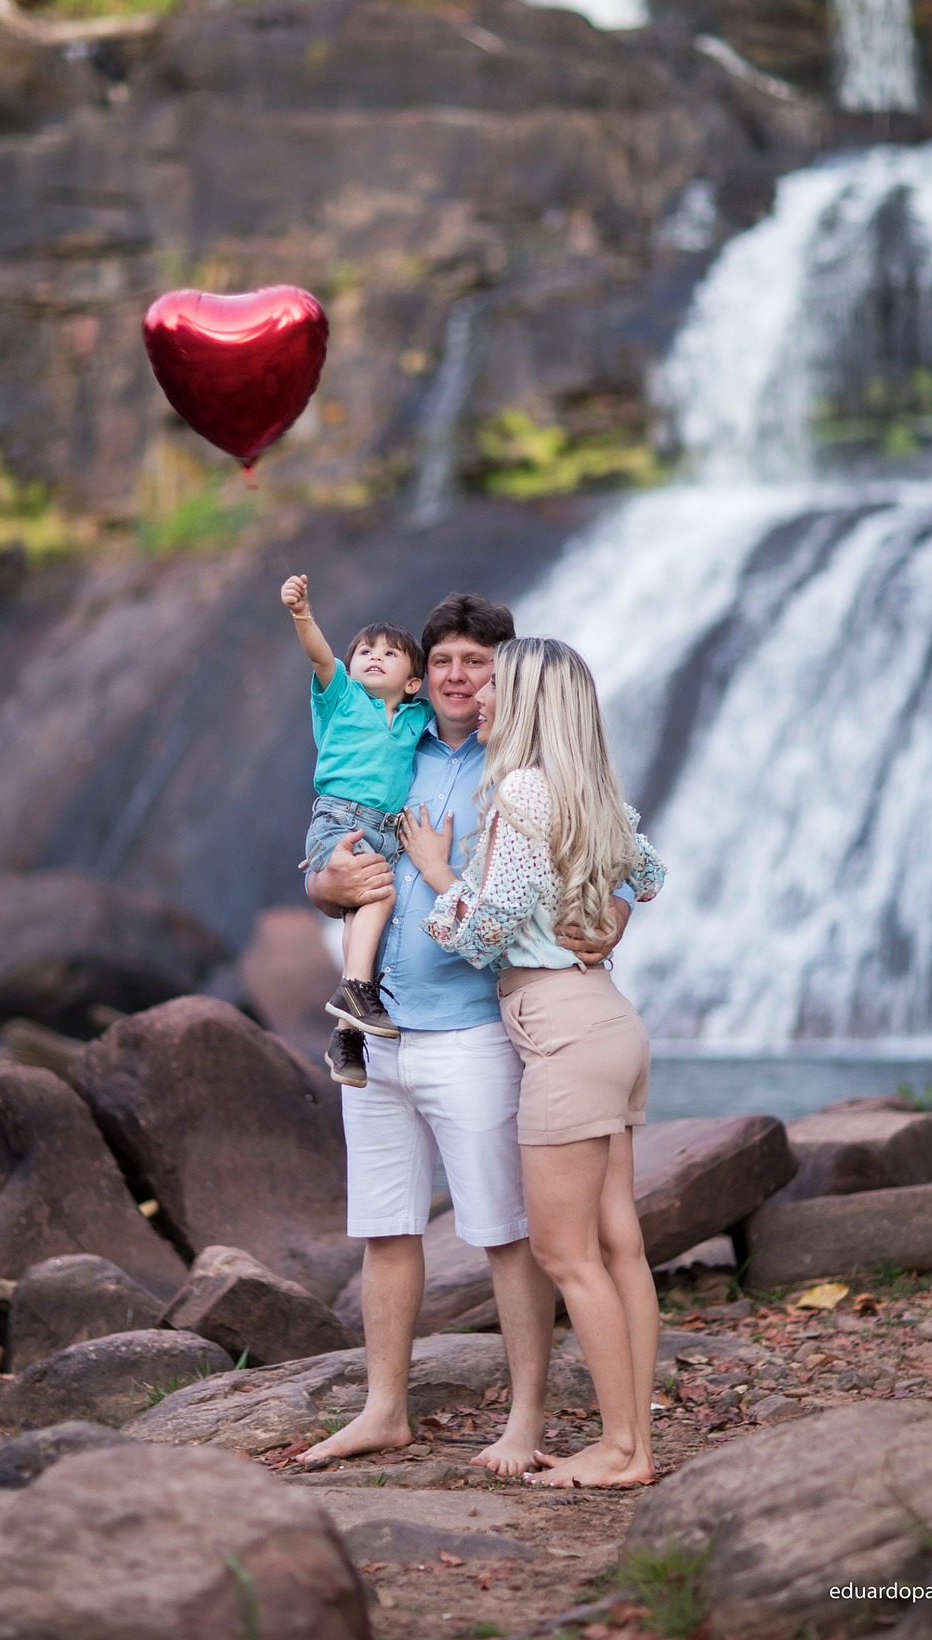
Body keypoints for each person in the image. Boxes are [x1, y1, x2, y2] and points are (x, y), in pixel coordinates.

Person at [297, 595, 636, 1475]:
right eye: (442, 660)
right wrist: (325, 887)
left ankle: (525, 1422)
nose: (457, 676)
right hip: (372, 1027)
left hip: (478, 1029)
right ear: (421, 672)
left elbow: (626, 850)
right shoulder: (388, 739)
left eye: (476, 663)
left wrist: (619, 915)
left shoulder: (525, 762)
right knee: (385, 1226)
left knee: (507, 1234)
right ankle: (384, 1410)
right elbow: (329, 864)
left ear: (504, 675)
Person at [409, 636, 665, 1487]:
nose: (478, 693)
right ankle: (635, 1444)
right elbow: (651, 872)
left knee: (566, 1254)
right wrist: (614, 907)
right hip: (611, 1024)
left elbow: (488, 929)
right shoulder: (593, 792)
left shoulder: (520, 788)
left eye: (496, 684)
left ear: (525, 699)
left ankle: (620, 1448)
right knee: (619, 1244)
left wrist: (441, 881)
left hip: (559, 1026)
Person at [280, 571, 430, 1084]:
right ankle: (354, 992)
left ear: (413, 681)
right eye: (366, 650)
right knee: (378, 897)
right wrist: (303, 613)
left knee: (362, 915)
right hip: (341, 820)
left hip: (386, 830)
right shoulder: (343, 697)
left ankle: (347, 1038)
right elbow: (321, 656)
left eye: (389, 654)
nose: (373, 657)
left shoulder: (417, 716)